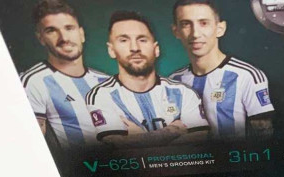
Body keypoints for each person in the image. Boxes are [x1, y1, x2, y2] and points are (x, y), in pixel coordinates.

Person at [87, 11, 210, 147]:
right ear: (111, 50)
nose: (134, 48)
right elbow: (117, 146)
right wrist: (171, 131)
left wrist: (139, 138)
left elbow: (199, 141)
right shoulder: (101, 95)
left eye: (142, 40)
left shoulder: (184, 92)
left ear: (156, 49)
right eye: (123, 40)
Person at [169, 0, 274, 139]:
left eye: (204, 23)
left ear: (220, 29)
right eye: (186, 24)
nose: (195, 34)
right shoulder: (173, 82)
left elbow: (264, 137)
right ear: (176, 31)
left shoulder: (246, 75)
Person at [21, 1, 109, 148]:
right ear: (41, 38)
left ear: (81, 34)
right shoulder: (33, 82)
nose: (64, 38)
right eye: (51, 31)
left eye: (69, 28)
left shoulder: (104, 81)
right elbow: (30, 145)